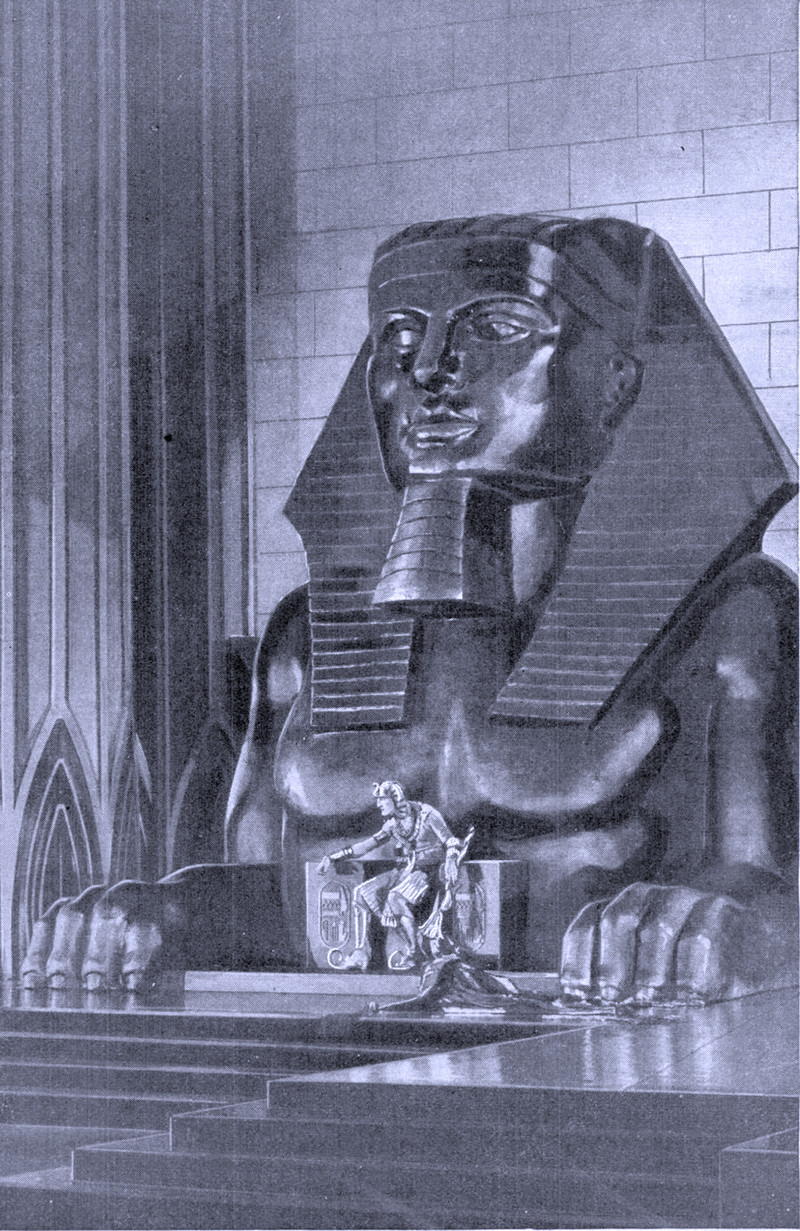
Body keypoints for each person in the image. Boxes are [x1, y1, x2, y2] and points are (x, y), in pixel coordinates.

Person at [25, 214, 798, 1002]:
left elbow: (772, 892)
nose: (429, 367)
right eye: (398, 335)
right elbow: (278, 904)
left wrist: (715, 921)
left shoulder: (734, 617)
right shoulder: (305, 635)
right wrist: (166, 907)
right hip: (347, 1050)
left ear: (614, 383)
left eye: (496, 326)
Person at [318, 781, 462, 970]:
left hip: (428, 873)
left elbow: (451, 841)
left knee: (395, 898)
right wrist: (332, 857)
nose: (378, 804)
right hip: (405, 871)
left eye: (382, 799)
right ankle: (361, 953)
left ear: (396, 799)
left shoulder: (427, 815)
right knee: (360, 894)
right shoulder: (392, 824)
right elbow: (366, 846)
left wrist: (451, 859)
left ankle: (414, 954)